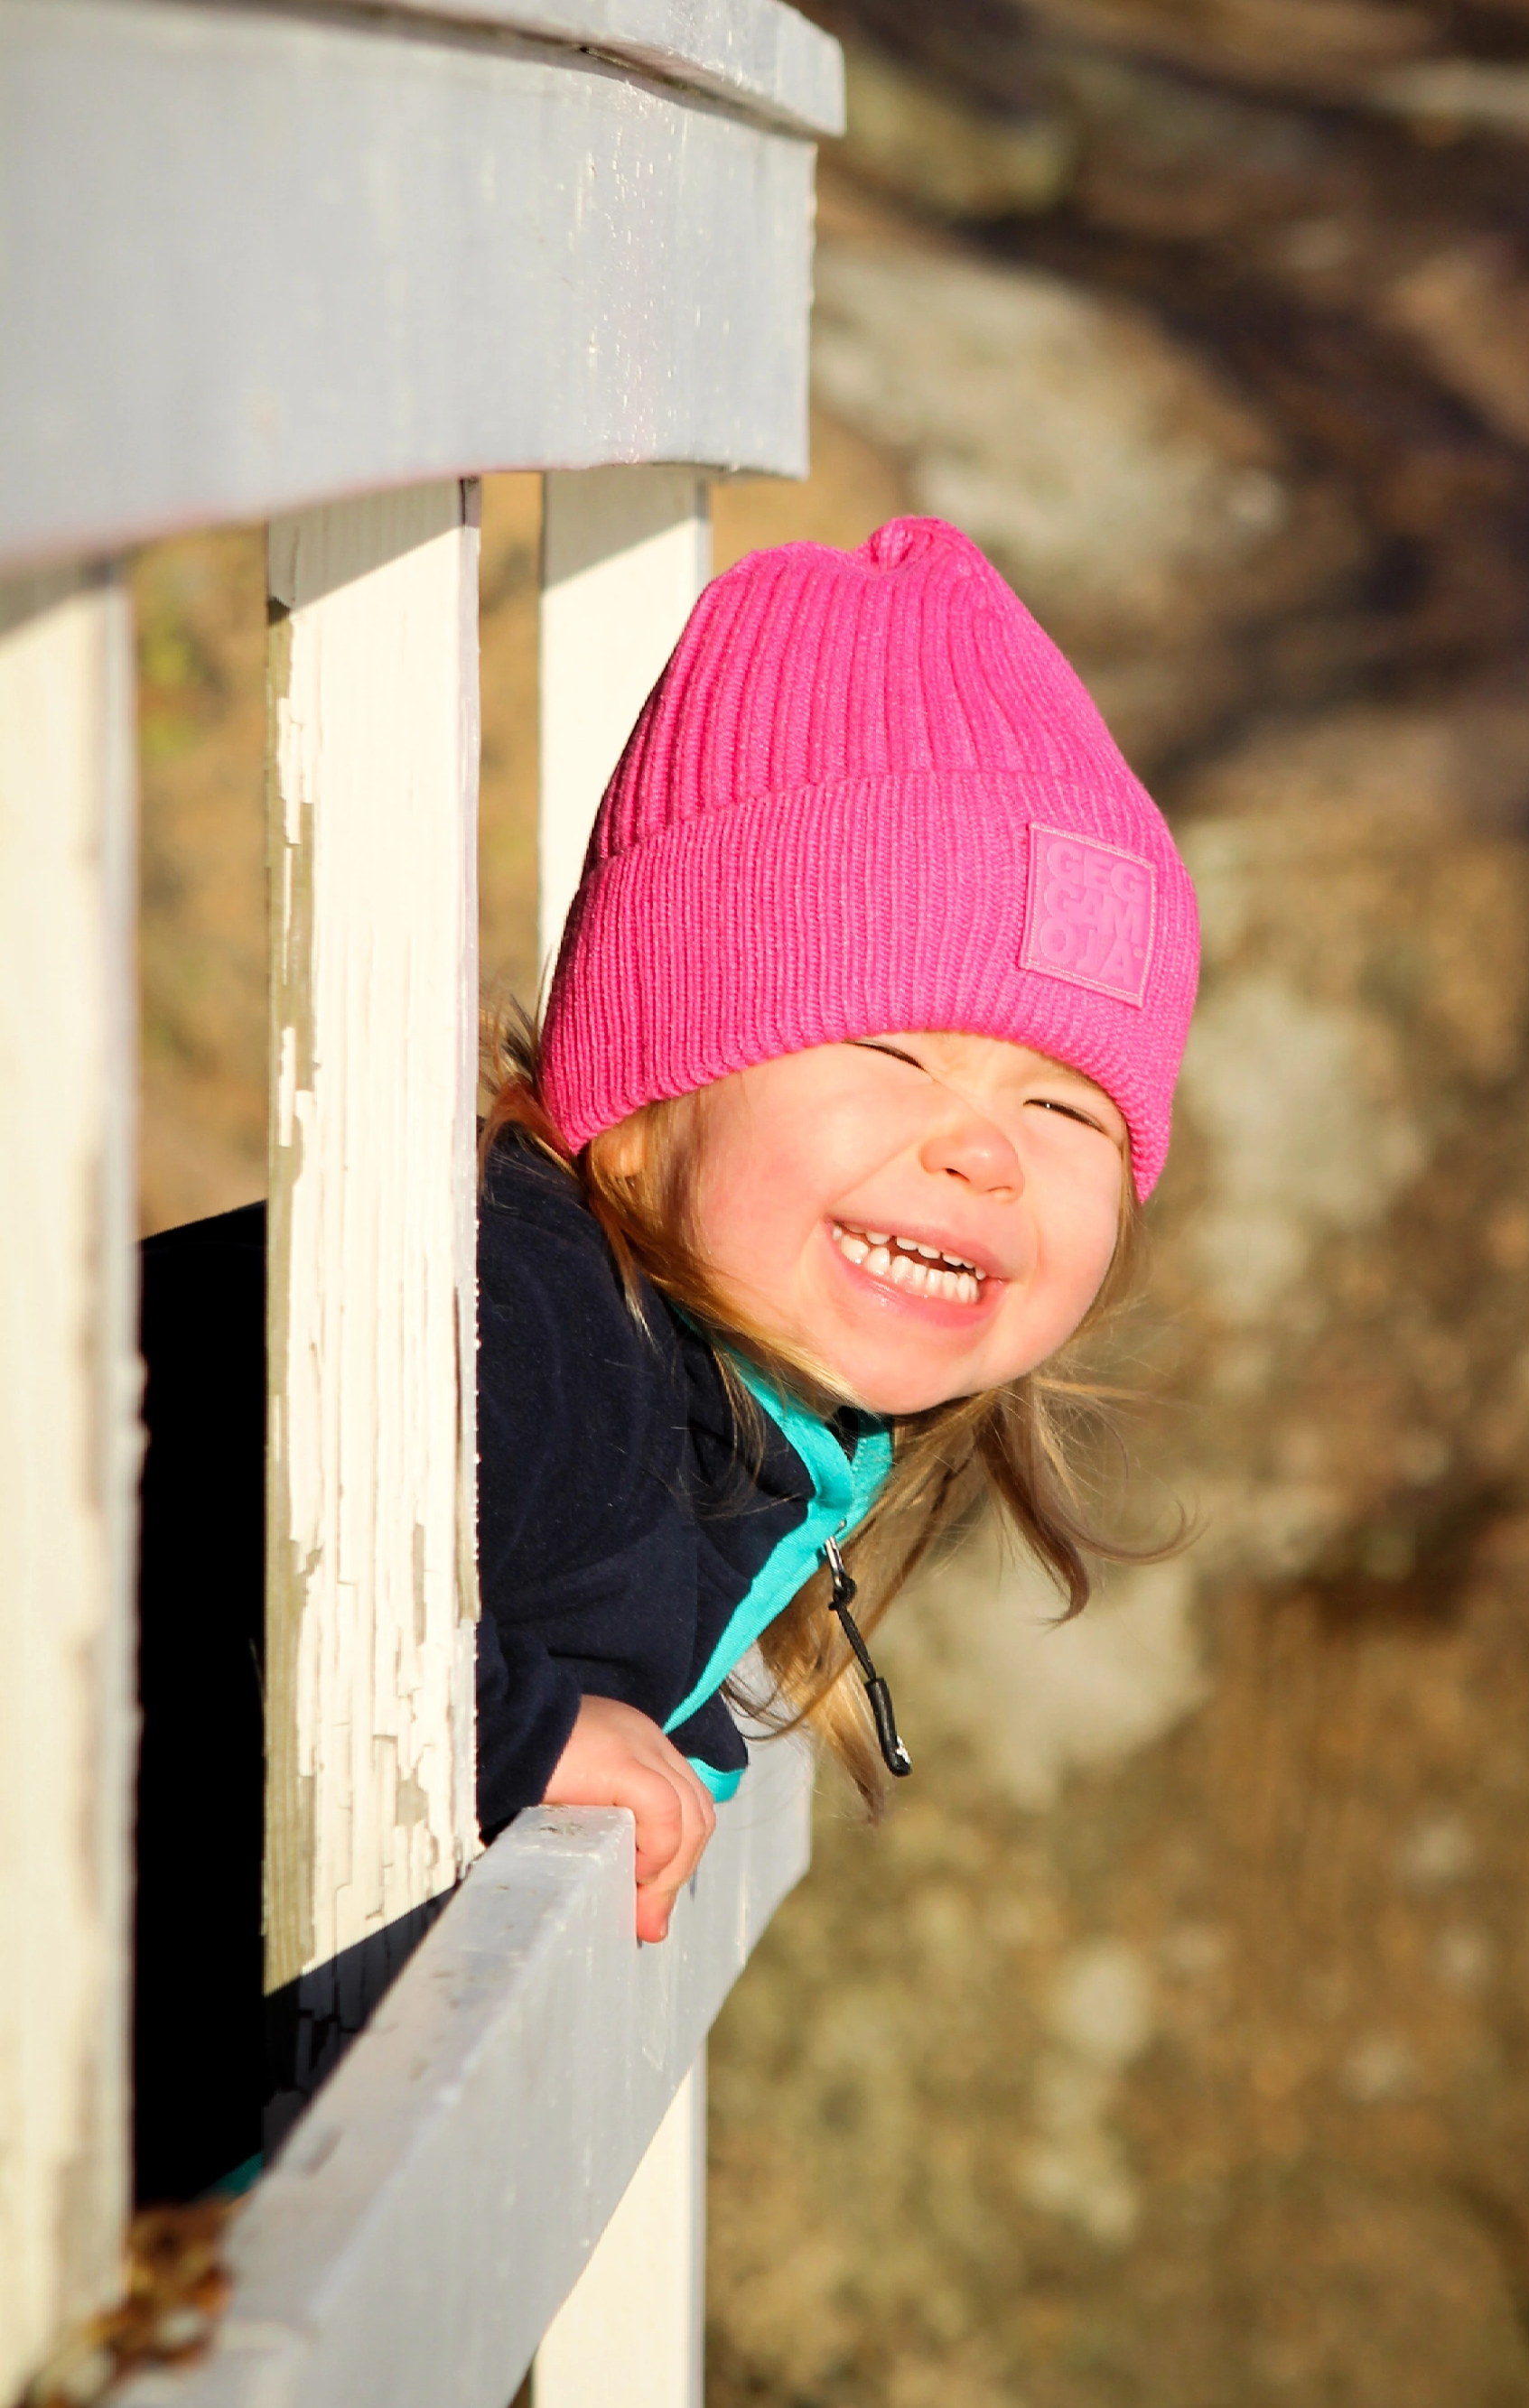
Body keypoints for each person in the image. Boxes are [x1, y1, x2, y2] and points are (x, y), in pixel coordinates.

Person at [133, 516, 1198, 2195]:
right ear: (640, 1101)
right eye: (888, 1045)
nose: (980, 1151)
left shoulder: (725, 1405)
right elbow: (167, 1528)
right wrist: (502, 1725)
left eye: (1062, 1104)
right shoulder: (522, 1314)